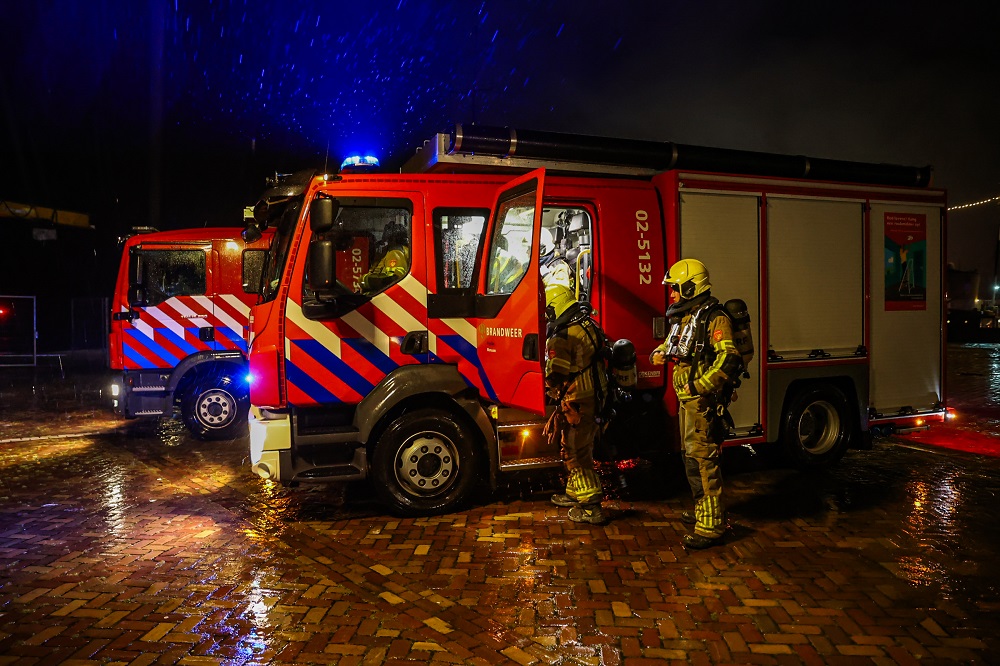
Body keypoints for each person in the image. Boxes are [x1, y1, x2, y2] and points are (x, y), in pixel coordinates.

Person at [651, 258, 742, 549]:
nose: (672, 295)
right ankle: (704, 510)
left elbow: (729, 358)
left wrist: (700, 386)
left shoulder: (714, 318)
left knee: (703, 461)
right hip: (687, 402)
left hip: (701, 402)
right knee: (690, 457)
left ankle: (711, 525)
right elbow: (672, 344)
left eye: (676, 289)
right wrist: (661, 352)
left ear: (691, 287)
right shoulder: (686, 317)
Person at [543, 277, 609, 524]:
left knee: (573, 451)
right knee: (583, 447)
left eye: (548, 309)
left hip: (577, 400)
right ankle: (575, 493)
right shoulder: (587, 323)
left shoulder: (562, 335)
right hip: (595, 394)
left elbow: (556, 375)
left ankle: (591, 507)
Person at [361, 221, 410, 294]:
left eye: (387, 240)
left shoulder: (395, 252)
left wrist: (366, 280)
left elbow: (393, 280)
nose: (385, 244)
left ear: (393, 239)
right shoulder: (404, 250)